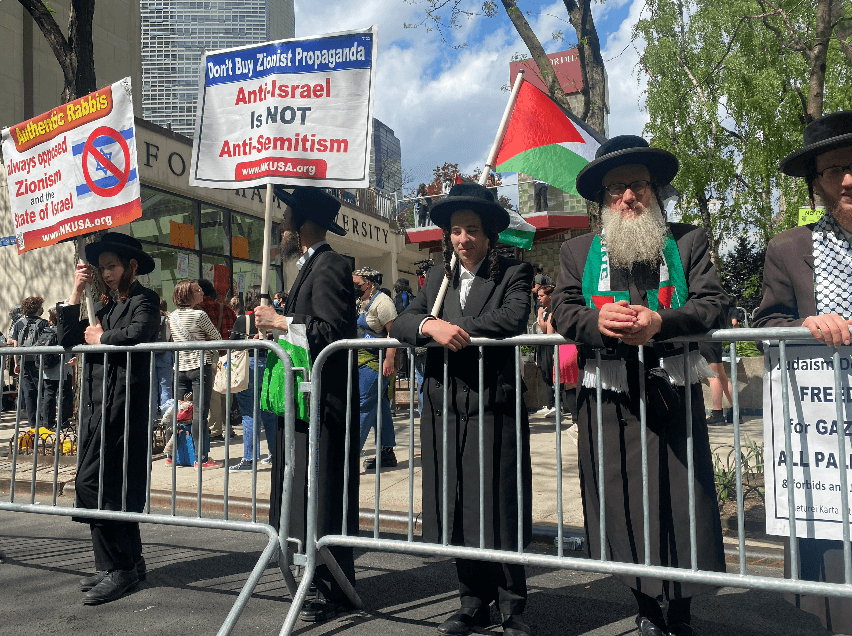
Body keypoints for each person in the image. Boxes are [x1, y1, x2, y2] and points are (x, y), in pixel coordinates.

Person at [551, 135, 727, 636]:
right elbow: (563, 310)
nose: (627, 197)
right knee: (619, 501)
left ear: (655, 190)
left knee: (679, 502)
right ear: (603, 201)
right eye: (615, 189)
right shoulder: (576, 250)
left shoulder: (687, 240)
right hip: (608, 401)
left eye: (637, 186)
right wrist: (596, 321)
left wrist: (662, 322)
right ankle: (645, 608)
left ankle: (681, 612)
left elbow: (712, 303)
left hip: (670, 393)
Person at [390, 181, 534, 636]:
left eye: (472, 229)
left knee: (497, 505)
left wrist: (454, 329)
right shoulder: (436, 277)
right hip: (446, 410)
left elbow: (510, 318)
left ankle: (512, 608)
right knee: (458, 507)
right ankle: (472, 602)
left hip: (494, 407)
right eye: (456, 230)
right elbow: (402, 321)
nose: (463, 239)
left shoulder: (514, 272)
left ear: (489, 234)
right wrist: (430, 325)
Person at [753, 110, 852, 633]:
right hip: (828, 438)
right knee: (831, 562)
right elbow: (768, 321)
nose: (850, 178)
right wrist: (806, 325)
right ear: (817, 184)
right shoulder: (789, 249)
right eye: (836, 169)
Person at [256, 185, 358, 623]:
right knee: (302, 491)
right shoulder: (309, 265)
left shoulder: (330, 264)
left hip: (325, 405)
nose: (281, 226)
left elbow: (331, 331)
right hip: (303, 403)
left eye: (286, 218)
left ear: (300, 225)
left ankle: (335, 585)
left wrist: (281, 321)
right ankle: (314, 577)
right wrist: (277, 329)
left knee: (325, 491)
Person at [56, 232, 160, 604]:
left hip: (123, 408)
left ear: (132, 266)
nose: (108, 273)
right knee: (109, 485)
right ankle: (127, 561)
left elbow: (140, 332)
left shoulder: (144, 299)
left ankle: (118, 569)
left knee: (95, 485)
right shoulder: (108, 305)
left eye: (113, 266)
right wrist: (75, 290)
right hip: (97, 408)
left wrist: (102, 339)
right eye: (103, 269)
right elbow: (68, 338)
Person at [167, 280, 223, 468]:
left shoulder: (172, 317)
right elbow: (217, 337)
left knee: (181, 412)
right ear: (188, 295)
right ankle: (202, 458)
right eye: (198, 291)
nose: (201, 293)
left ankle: (172, 455)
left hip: (180, 367)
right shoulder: (199, 315)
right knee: (199, 413)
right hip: (200, 366)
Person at [228, 284, 277, 471]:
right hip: (271, 365)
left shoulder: (244, 320)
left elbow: (232, 344)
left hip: (248, 366)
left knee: (249, 414)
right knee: (269, 413)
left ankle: (249, 458)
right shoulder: (274, 320)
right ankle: (273, 453)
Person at [353, 266, 398, 469]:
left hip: (374, 364)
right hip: (360, 362)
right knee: (381, 409)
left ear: (368, 283)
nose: (354, 287)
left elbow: (393, 333)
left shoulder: (383, 302)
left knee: (363, 407)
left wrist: (389, 359)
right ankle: (386, 452)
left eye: (357, 284)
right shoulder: (359, 302)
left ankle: (349, 456)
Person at [196, 278, 237, 441]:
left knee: (213, 393)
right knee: (226, 392)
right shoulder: (225, 308)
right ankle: (229, 426)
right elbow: (234, 331)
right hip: (226, 355)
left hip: (208, 355)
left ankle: (215, 429)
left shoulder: (197, 309)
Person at [13, 296, 49, 429]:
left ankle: (32, 422)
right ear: (38, 308)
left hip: (23, 360)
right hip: (38, 361)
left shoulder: (18, 324)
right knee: (42, 391)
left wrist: (16, 363)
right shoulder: (44, 323)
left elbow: (15, 345)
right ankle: (43, 421)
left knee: (28, 392)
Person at [154, 298, 174, 419]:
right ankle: (166, 417)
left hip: (151, 353)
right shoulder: (168, 320)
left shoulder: (150, 318)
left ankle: (152, 418)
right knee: (166, 387)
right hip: (165, 353)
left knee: (153, 388)